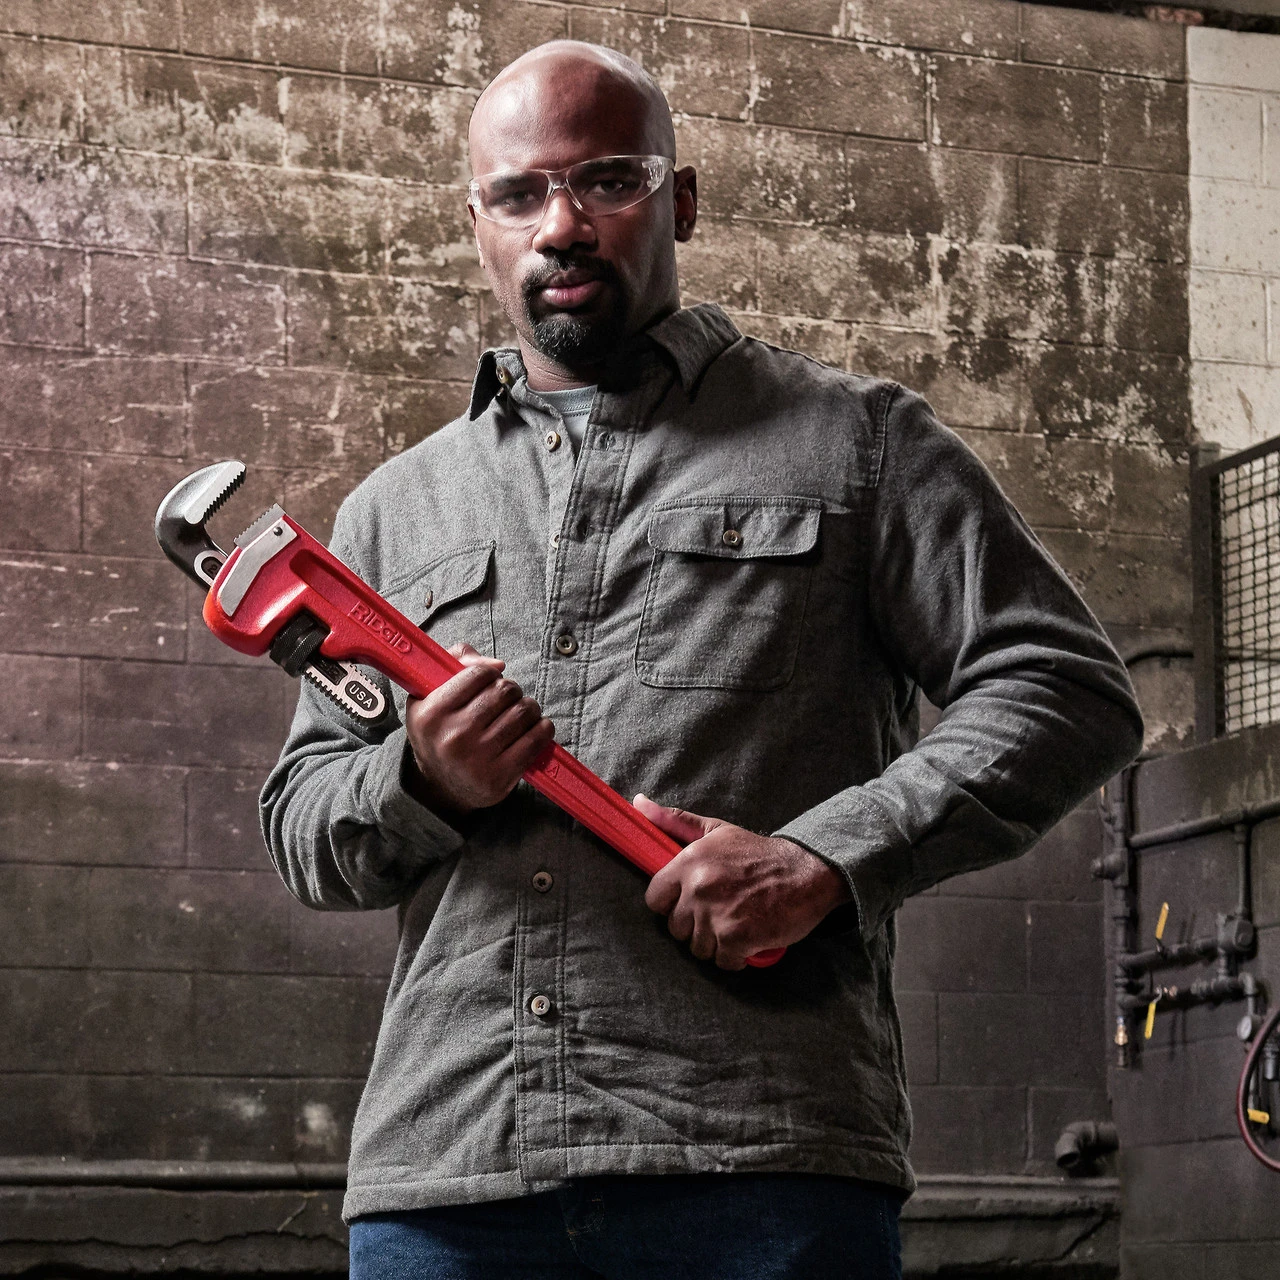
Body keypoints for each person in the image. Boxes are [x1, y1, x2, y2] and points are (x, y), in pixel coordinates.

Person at [261, 40, 1144, 1280]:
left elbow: (1064, 686)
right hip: (451, 1176)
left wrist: (823, 859)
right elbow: (304, 822)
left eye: (606, 180)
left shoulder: (856, 445)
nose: (560, 225)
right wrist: (420, 776)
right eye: (518, 194)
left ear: (678, 199)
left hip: (756, 1168)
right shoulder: (393, 512)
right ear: (477, 224)